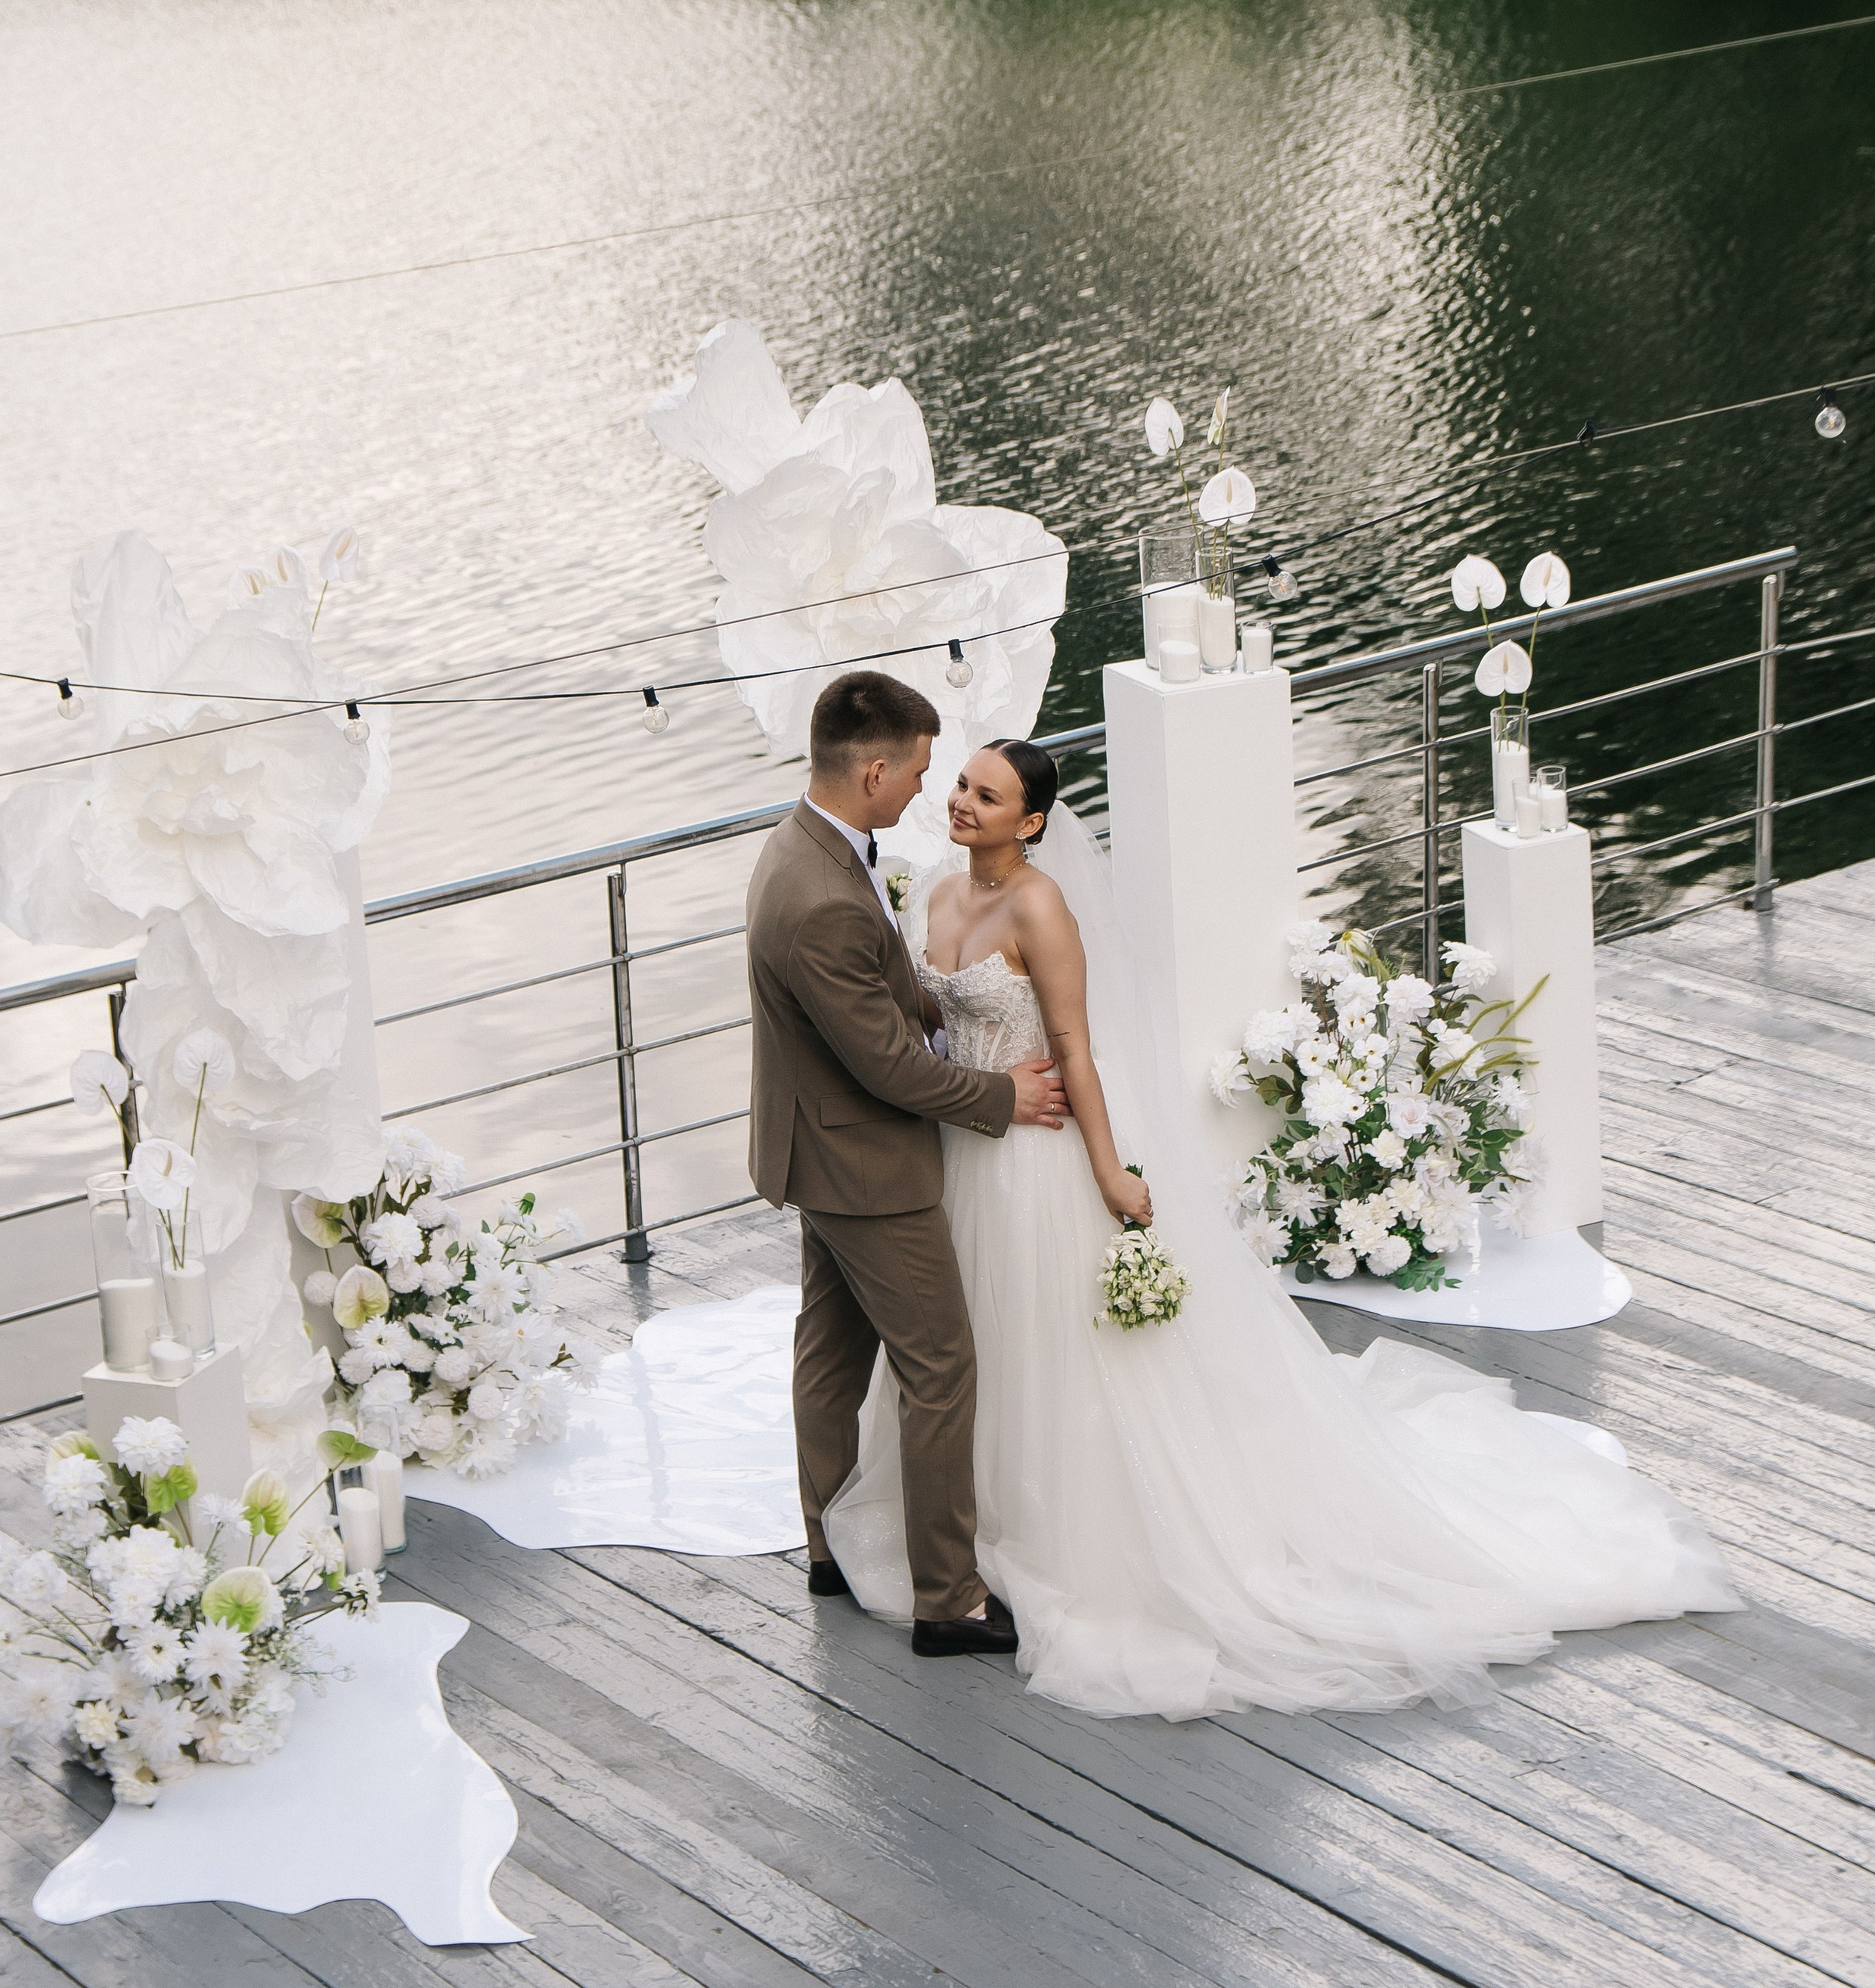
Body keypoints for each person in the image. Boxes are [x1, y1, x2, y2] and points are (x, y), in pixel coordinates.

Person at [823, 737, 1740, 1720]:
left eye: (987, 795)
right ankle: (967, 1534)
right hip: (970, 1151)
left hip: (1043, 1157)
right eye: (961, 785)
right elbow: (938, 1009)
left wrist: (1111, 1173)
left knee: (1060, 1346)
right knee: (975, 1343)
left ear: (1032, 821)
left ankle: (1066, 1538)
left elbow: (1079, 1053)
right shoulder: (941, 899)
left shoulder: (1042, 908)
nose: (962, 803)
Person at [745, 671, 1070, 1656]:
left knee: (830, 1356)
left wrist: (944, 1006)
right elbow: (888, 1069)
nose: (930, 793)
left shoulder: (805, 846)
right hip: (867, 1168)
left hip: (815, 1148)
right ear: (875, 768)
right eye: (923, 771)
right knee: (941, 1367)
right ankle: (949, 1598)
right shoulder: (820, 897)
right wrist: (1005, 1098)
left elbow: (880, 999)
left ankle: (825, 1545)